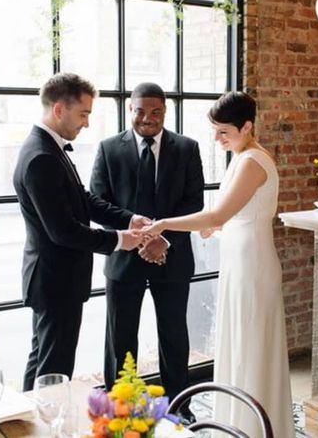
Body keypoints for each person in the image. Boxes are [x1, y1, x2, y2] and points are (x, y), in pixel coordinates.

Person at [140, 91, 295, 437]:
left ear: (248, 126)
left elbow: (220, 211)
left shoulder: (253, 161)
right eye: (215, 130)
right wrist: (218, 225)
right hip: (240, 261)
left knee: (251, 348)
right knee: (239, 346)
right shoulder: (242, 156)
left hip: (252, 266)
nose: (217, 138)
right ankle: (238, 423)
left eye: (223, 131)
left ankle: (254, 427)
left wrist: (164, 223)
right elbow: (234, 213)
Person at [13, 73, 146, 391]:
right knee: (54, 369)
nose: (86, 123)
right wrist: (118, 240)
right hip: (55, 280)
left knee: (43, 360)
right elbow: (63, 231)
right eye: (83, 114)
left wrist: (128, 220)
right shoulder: (42, 157)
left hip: (55, 279)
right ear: (59, 109)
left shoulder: (50, 149)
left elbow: (82, 201)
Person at [90, 82, 204, 417]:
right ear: (130, 109)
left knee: (173, 337)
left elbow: (193, 203)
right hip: (124, 260)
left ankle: (178, 408)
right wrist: (140, 237)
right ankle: (119, 409)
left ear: (165, 111)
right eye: (140, 110)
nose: (147, 118)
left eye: (155, 112)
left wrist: (162, 239)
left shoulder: (187, 148)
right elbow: (98, 204)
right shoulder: (109, 148)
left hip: (173, 257)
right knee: (120, 340)